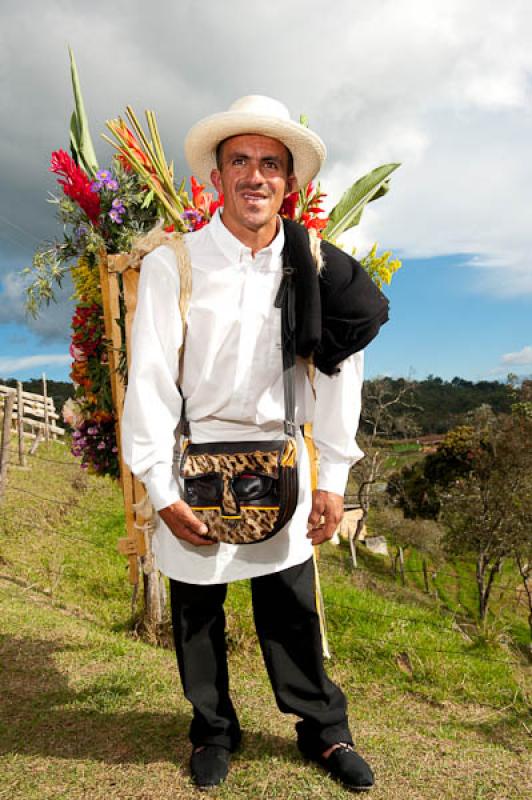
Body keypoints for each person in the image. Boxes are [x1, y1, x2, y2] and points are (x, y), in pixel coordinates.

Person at [122, 95, 388, 791]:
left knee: (290, 604)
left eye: (271, 163)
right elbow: (149, 376)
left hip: (283, 460)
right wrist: (158, 485)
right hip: (194, 458)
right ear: (216, 177)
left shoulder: (318, 267)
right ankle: (212, 730)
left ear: (289, 183)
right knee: (196, 608)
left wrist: (332, 474)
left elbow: (337, 375)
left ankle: (324, 732)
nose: (255, 176)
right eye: (240, 160)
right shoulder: (172, 264)